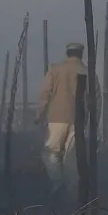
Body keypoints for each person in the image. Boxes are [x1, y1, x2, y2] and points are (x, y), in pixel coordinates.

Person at [34, 42, 87, 196]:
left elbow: (45, 93)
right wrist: (92, 119)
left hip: (56, 118)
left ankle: (58, 183)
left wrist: (40, 114)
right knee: (71, 156)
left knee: (51, 152)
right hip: (78, 120)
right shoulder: (86, 71)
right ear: (80, 54)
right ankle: (72, 191)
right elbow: (95, 98)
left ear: (67, 53)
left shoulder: (55, 70)